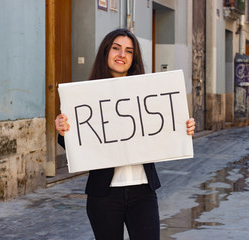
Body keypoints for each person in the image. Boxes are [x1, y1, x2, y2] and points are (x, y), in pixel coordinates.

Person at [55, 28, 195, 240]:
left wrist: (183, 128)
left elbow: (164, 129)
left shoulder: (148, 93)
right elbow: (76, 145)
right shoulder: (85, 96)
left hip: (143, 193)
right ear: (106, 52)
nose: (122, 55)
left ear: (133, 58)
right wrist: (63, 130)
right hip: (104, 195)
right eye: (116, 48)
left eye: (129, 51)